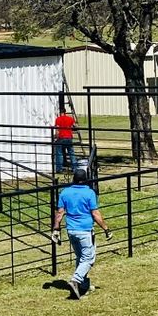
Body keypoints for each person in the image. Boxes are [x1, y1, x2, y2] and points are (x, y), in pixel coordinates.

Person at [51, 167, 112, 299]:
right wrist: (106, 229)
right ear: (85, 180)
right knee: (88, 258)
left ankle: (83, 286)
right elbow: (95, 214)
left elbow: (60, 213)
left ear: (73, 179)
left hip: (71, 230)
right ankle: (76, 280)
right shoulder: (89, 193)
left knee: (80, 258)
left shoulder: (65, 192)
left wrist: (56, 229)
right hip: (85, 230)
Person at [53, 108, 77, 173]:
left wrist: (56, 137)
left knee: (59, 154)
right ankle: (74, 168)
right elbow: (75, 126)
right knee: (71, 153)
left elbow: (57, 130)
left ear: (60, 113)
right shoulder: (70, 118)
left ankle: (59, 169)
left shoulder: (58, 119)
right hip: (69, 138)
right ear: (65, 112)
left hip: (61, 138)